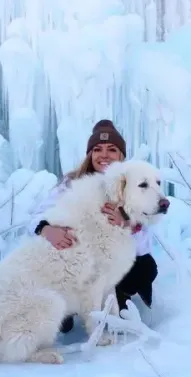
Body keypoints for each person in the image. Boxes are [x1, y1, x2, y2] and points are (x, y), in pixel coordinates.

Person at [28, 119, 159, 334]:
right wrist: (46, 229)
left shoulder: (133, 184)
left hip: (113, 262)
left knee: (146, 267)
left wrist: (126, 223)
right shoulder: (71, 184)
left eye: (112, 149)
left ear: (121, 156)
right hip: (78, 260)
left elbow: (144, 248)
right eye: (97, 149)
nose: (104, 155)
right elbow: (38, 216)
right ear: (90, 154)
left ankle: (118, 297)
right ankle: (70, 306)